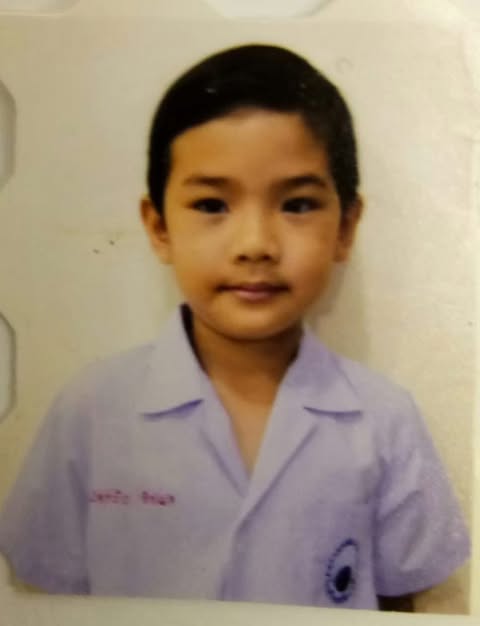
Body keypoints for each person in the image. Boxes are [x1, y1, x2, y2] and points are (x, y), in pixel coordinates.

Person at [0, 44, 470, 610]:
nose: (255, 245)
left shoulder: (385, 419)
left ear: (346, 227)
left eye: (297, 204)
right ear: (158, 227)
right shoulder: (92, 410)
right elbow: (50, 598)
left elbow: (400, 603)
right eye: (211, 205)